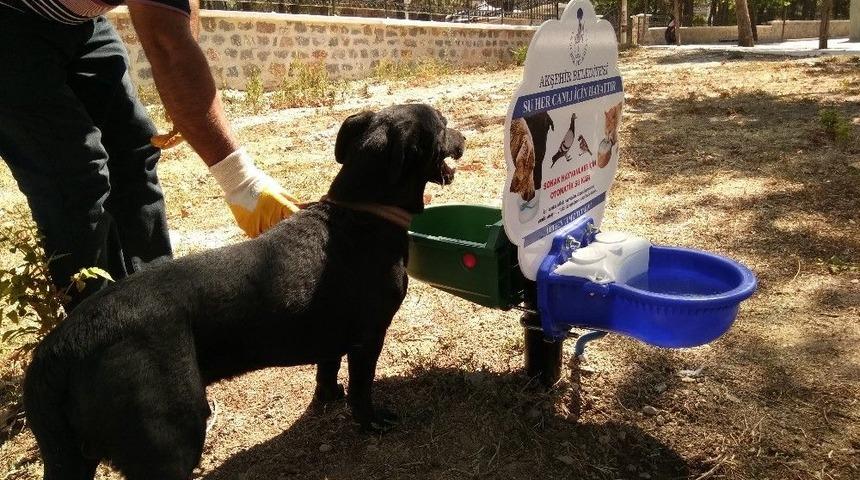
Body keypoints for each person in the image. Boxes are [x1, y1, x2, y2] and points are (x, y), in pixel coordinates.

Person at [0, 0, 301, 309]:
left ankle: (159, 312)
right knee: (74, 179)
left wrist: (182, 93)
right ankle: (101, 339)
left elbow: (182, 13)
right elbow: (168, 46)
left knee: (134, 149)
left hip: (76, 21)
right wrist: (242, 183)